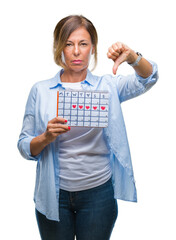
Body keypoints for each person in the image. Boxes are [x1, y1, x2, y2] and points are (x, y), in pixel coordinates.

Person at [17, 15, 158, 240]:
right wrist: (45, 137)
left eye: (83, 44)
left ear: (92, 48)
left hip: (98, 193)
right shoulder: (41, 90)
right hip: (53, 195)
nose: (76, 51)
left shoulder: (107, 87)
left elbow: (148, 78)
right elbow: (24, 146)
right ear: (59, 47)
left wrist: (133, 57)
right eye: (68, 44)